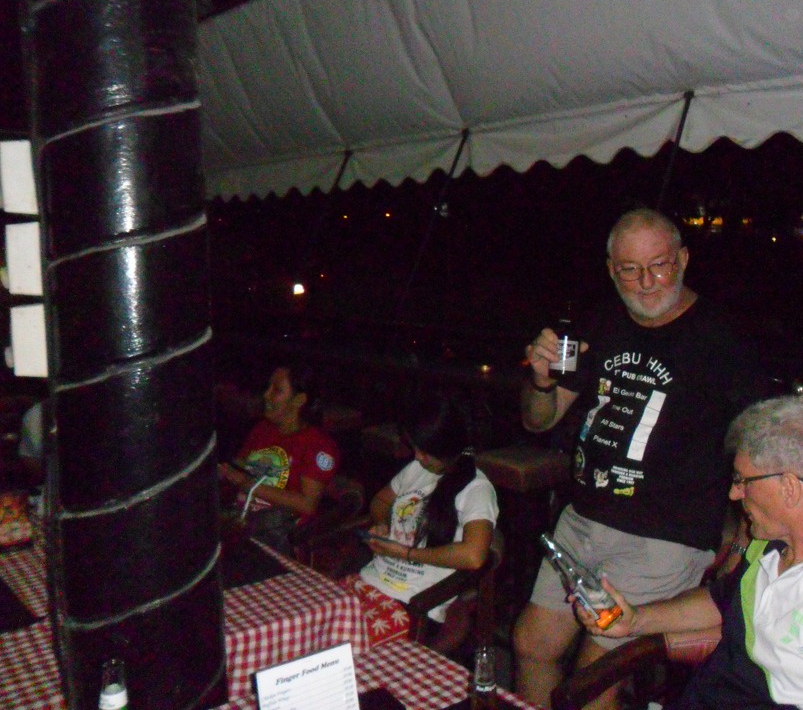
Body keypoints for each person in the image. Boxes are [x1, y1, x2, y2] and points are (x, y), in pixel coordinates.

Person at [514, 207, 768, 709]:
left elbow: (758, 445)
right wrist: (540, 382)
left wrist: (743, 542)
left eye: (660, 265)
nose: (647, 282)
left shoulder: (723, 340)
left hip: (665, 535)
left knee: (596, 676)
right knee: (531, 645)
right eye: (631, 269)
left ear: (683, 260)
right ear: (612, 270)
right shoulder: (600, 321)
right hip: (583, 518)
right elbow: (539, 420)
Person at [579, 394, 803, 710]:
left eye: (741, 480)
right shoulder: (767, 546)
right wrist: (634, 620)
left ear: (790, 488)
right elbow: (721, 601)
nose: (734, 494)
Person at [354, 390, 499, 654]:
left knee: (343, 646)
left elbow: (474, 555)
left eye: (424, 450)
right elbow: (380, 501)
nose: (417, 456)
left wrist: (408, 554)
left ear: (445, 446)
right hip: (370, 581)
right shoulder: (417, 470)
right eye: (416, 448)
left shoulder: (476, 488)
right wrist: (382, 524)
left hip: (410, 601)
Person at [218, 362, 340, 556]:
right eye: (268, 388)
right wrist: (224, 471)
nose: (266, 395)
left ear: (299, 400)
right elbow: (240, 466)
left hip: (279, 530)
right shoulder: (263, 429)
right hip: (243, 516)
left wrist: (247, 484)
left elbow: (307, 504)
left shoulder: (318, 446)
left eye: (276, 390)